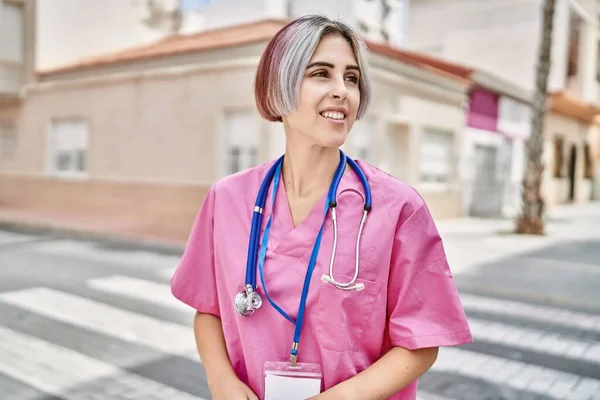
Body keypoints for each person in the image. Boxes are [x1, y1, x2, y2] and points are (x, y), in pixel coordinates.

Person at [171, 14, 473, 400]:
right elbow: (208, 310)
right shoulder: (227, 199)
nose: (341, 91)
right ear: (278, 86)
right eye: (320, 74)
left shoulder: (398, 208)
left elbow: (420, 342)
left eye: (351, 78)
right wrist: (221, 380)